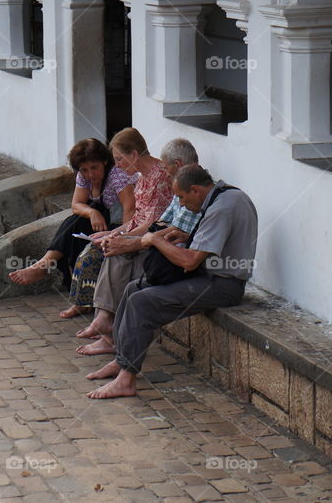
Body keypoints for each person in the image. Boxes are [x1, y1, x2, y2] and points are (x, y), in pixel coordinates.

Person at [86, 165, 258, 399]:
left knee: (142, 303)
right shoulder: (225, 196)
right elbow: (216, 242)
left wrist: (154, 240)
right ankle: (121, 361)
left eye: (181, 197)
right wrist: (187, 237)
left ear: (196, 190)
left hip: (223, 285)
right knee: (132, 289)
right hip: (208, 276)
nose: (181, 203)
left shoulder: (222, 207)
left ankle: (126, 380)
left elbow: (190, 262)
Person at [75, 138, 201, 355]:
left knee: (118, 252)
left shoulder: (188, 189)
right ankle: (105, 324)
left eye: (119, 159)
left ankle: (108, 329)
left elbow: (174, 232)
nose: (118, 165)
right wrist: (120, 235)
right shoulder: (172, 185)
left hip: (172, 257)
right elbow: (160, 223)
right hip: (159, 244)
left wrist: (133, 240)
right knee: (112, 248)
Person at [62, 128, 175, 320]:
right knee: (93, 243)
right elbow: (136, 218)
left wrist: (120, 238)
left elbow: (152, 224)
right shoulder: (142, 178)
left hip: (153, 239)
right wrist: (113, 233)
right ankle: (98, 316)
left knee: (109, 252)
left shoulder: (161, 176)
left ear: (133, 154)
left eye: (120, 159)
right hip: (139, 233)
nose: (118, 165)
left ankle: (103, 320)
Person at [8, 138, 135, 302]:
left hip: (118, 223)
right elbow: (76, 204)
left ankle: (43, 266)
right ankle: (63, 283)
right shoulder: (83, 176)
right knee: (74, 223)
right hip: (99, 220)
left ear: (104, 161)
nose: (90, 174)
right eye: (84, 170)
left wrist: (122, 236)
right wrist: (92, 212)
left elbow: (129, 209)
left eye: (94, 168)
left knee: (73, 227)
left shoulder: (117, 176)